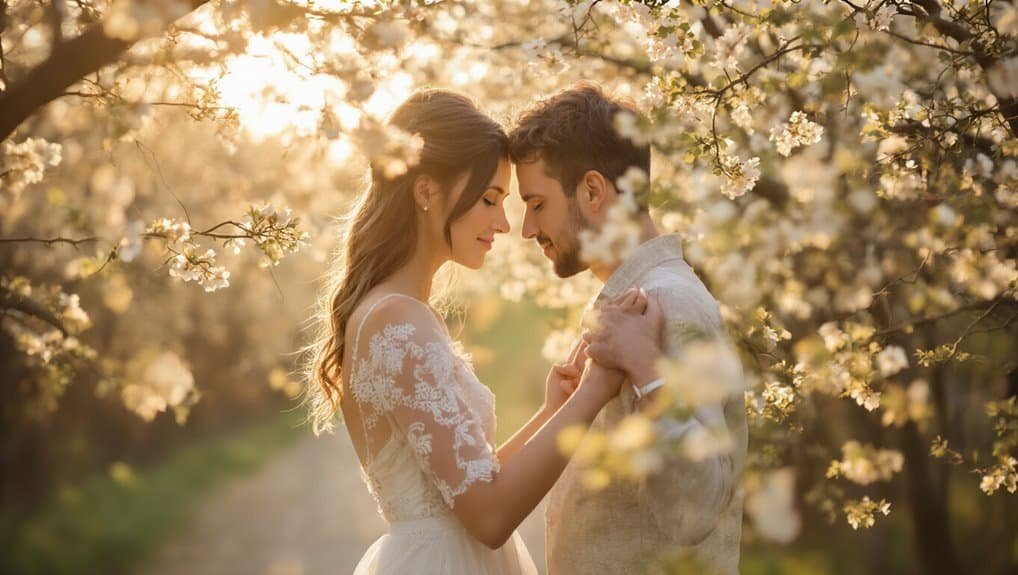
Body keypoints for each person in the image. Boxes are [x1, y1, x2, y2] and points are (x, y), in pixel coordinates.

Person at [303, 88, 663, 574]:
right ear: (426, 191)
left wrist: (551, 410)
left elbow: (468, 481)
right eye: (490, 199)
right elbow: (489, 516)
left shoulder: (402, 312)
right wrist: (595, 388)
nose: (503, 223)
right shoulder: (395, 320)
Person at [509, 82, 748, 574]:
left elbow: (696, 510)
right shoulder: (630, 301)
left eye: (537, 204)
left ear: (593, 191)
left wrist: (648, 371)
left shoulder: (668, 302)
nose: (528, 229)